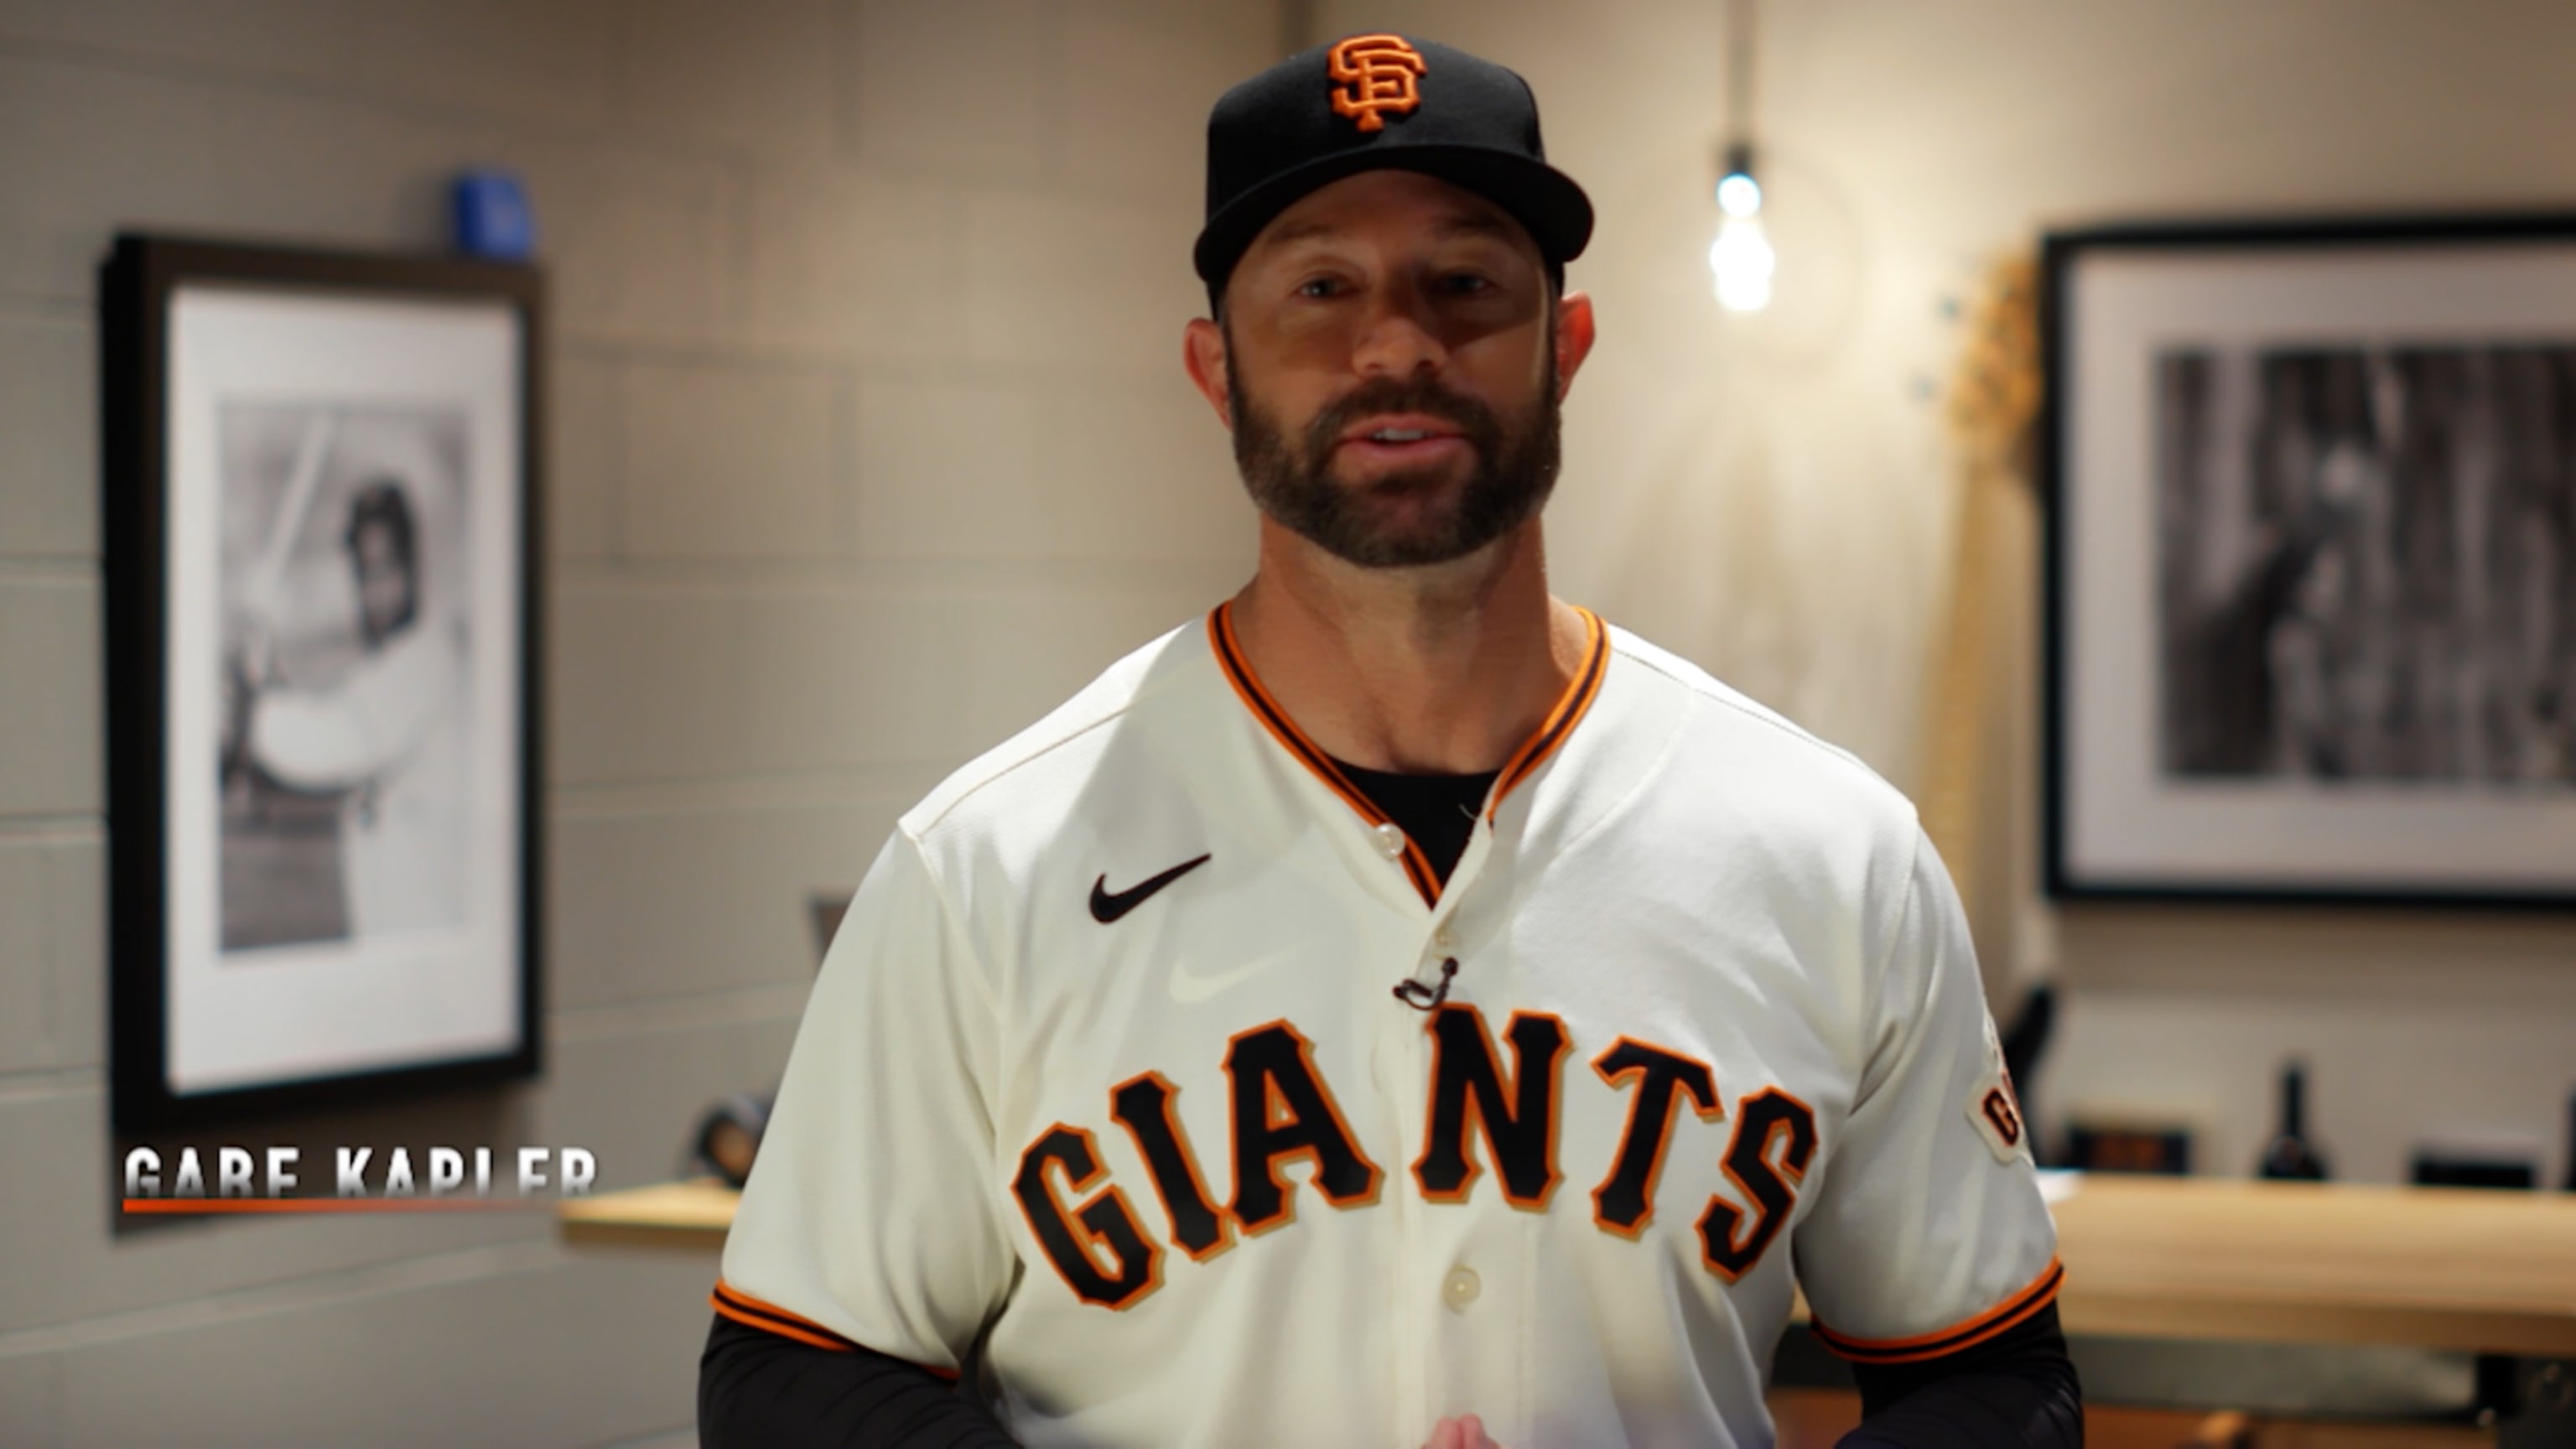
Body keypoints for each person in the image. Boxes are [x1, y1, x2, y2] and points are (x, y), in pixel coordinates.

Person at [702, 34, 2079, 1449]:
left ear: (1568, 343)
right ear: (1213, 367)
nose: (1398, 342)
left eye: (1464, 282)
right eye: (1319, 285)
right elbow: (799, 1380)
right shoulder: (983, 864)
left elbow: (1989, 1376)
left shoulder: (1829, 850)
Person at [229, 478, 468, 940]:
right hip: (396, 935)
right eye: (363, 573)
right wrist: (265, 673)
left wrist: (252, 699)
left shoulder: (428, 662)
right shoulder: (394, 668)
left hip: (426, 938)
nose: (373, 594)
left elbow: (331, 741)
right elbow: (335, 718)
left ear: (414, 566)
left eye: (385, 569)